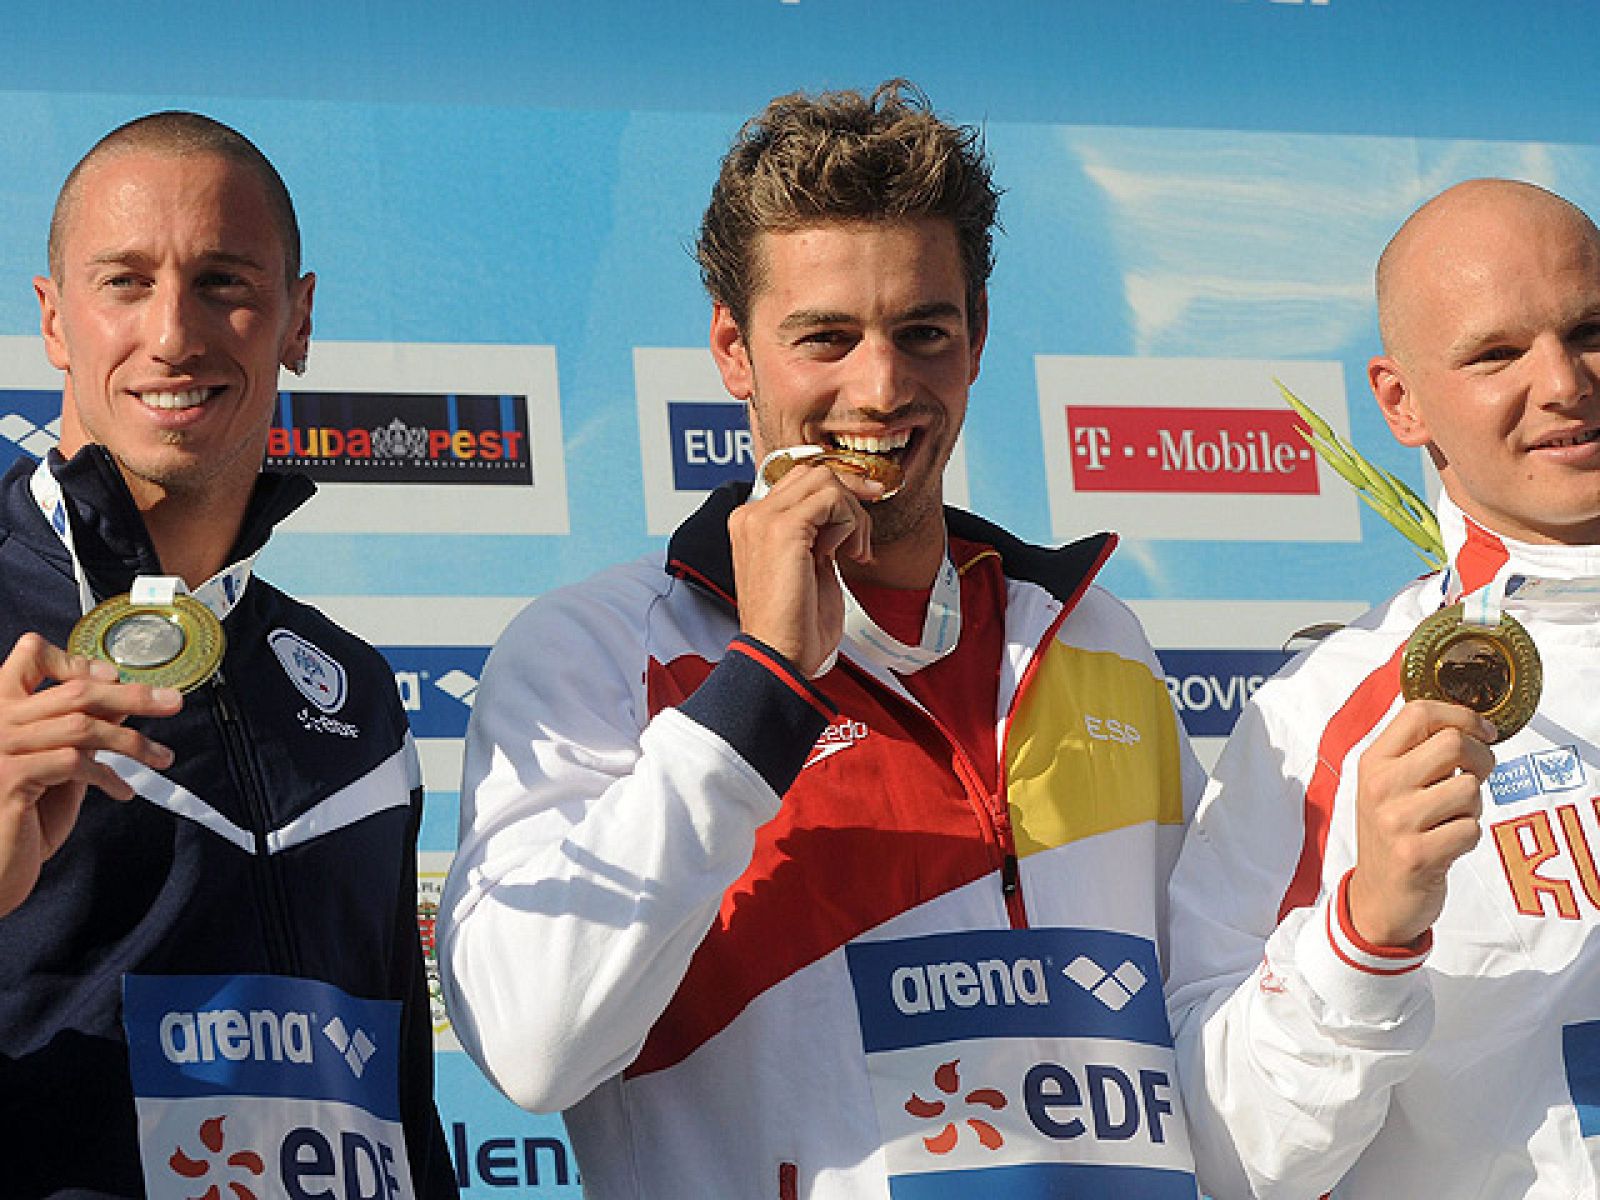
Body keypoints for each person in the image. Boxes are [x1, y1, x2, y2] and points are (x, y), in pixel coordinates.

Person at [441, 80, 1205, 1199]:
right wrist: (757, 687)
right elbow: (532, 1044)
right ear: (733, 352)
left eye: (922, 333)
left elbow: (1200, 1026)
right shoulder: (598, 651)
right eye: (825, 339)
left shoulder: (1094, 636)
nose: (881, 386)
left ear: (977, 338)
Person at [0, 112, 457, 1197]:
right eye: (125, 283)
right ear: (55, 320)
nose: (173, 335)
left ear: (297, 319)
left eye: (222, 282)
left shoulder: (351, 685)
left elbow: (400, 1093)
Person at [1165, 177, 1600, 1198]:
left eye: (1590, 328)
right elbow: (1226, 1157)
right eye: (1497, 353)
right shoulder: (1321, 723)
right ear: (1400, 401)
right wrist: (1366, 931)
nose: (1565, 382)